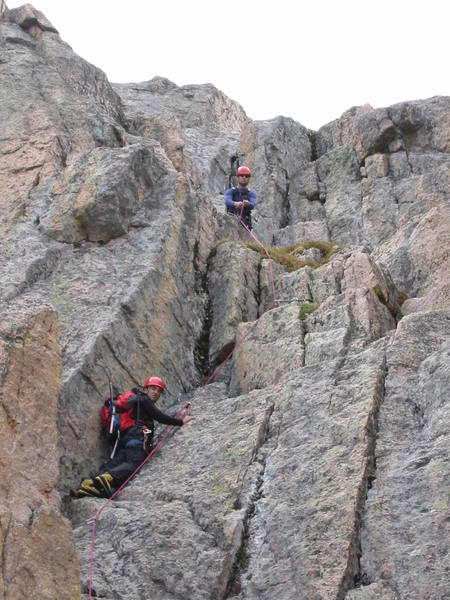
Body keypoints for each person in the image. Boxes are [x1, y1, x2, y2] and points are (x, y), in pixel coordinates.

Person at [76, 376, 194, 498]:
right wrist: (180, 421)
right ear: (146, 389)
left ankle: (89, 483)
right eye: (153, 389)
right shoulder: (144, 399)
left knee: (115, 464)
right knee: (133, 465)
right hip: (138, 440)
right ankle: (106, 479)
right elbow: (159, 416)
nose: (155, 393)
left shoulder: (136, 401)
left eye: (158, 391)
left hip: (126, 441)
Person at [225, 165, 257, 230]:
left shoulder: (251, 193)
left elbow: (253, 204)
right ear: (238, 177)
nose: (244, 177)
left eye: (247, 176)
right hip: (231, 220)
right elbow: (227, 200)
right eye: (242, 175)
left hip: (245, 223)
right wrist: (235, 203)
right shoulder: (231, 191)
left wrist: (248, 204)